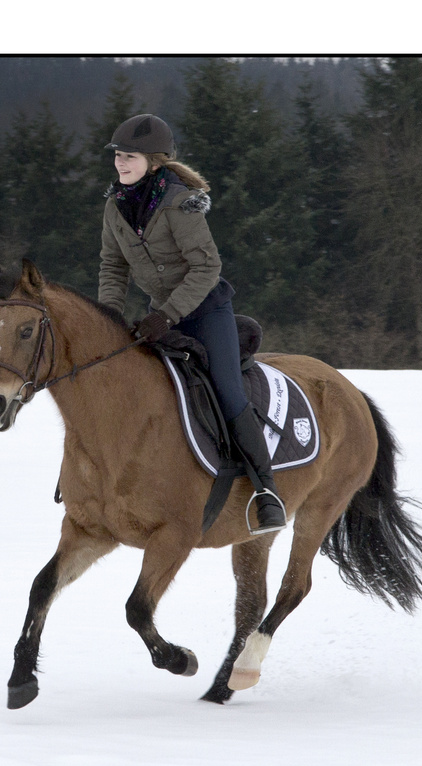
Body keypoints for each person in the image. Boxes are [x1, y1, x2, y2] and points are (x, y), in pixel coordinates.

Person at [97, 113, 286, 534]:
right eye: (117, 157)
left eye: (129, 157)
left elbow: (207, 268)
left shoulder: (179, 202)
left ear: (154, 161)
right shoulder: (115, 206)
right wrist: (108, 317)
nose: (120, 164)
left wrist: (166, 314)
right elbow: (112, 266)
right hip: (158, 316)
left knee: (226, 389)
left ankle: (266, 491)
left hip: (204, 310)